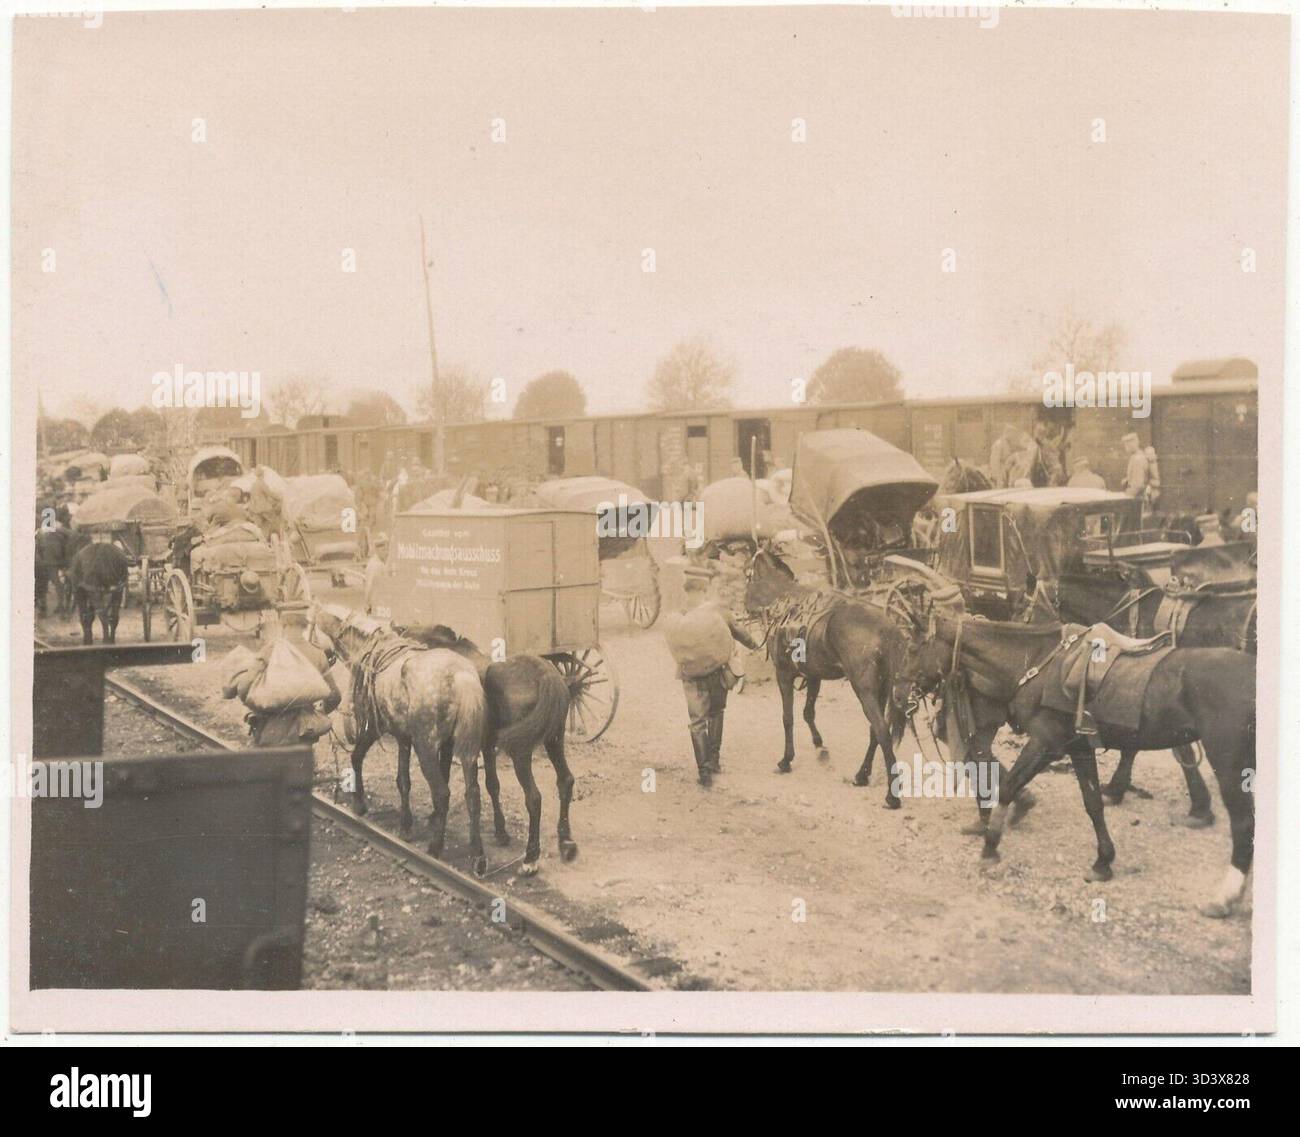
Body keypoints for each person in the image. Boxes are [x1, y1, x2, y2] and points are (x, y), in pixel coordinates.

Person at [663, 573, 760, 787]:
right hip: (718, 673)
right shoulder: (717, 610)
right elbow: (738, 632)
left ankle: (704, 770)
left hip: (691, 676)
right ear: (704, 591)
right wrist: (756, 645)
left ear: (687, 592)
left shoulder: (679, 615)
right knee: (716, 713)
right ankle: (714, 760)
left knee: (697, 722)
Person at [224, 616, 341, 747]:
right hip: (304, 733)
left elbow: (243, 688)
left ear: (282, 624)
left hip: (269, 731)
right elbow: (334, 697)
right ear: (305, 625)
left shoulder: (269, 650)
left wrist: (259, 706)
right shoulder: (318, 654)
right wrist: (317, 713)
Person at [364, 531, 389, 614]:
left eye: (387, 549)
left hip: (381, 603)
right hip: (376, 604)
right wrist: (367, 603)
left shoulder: (379, 562)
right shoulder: (375, 565)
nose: (386, 552)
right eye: (383, 550)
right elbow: (369, 586)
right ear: (377, 550)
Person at [1120, 433, 1150, 500]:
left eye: (1126, 444)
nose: (1125, 447)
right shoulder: (1136, 456)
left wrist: (1126, 496)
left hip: (1137, 498)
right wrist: (1127, 479)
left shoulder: (1138, 459)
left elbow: (1138, 484)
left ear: (1132, 444)